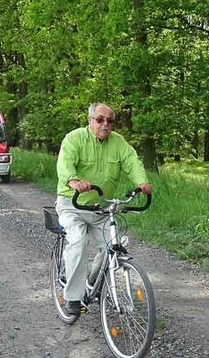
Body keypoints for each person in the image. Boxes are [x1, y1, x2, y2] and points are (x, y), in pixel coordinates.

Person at [55, 103, 153, 316]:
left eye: (110, 121)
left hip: (101, 208)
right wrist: (73, 181)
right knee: (78, 242)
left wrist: (142, 183)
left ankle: (92, 282)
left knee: (112, 245)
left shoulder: (118, 142)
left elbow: (132, 162)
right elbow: (65, 164)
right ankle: (72, 297)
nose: (105, 124)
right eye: (100, 119)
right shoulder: (74, 138)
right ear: (90, 120)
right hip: (73, 205)